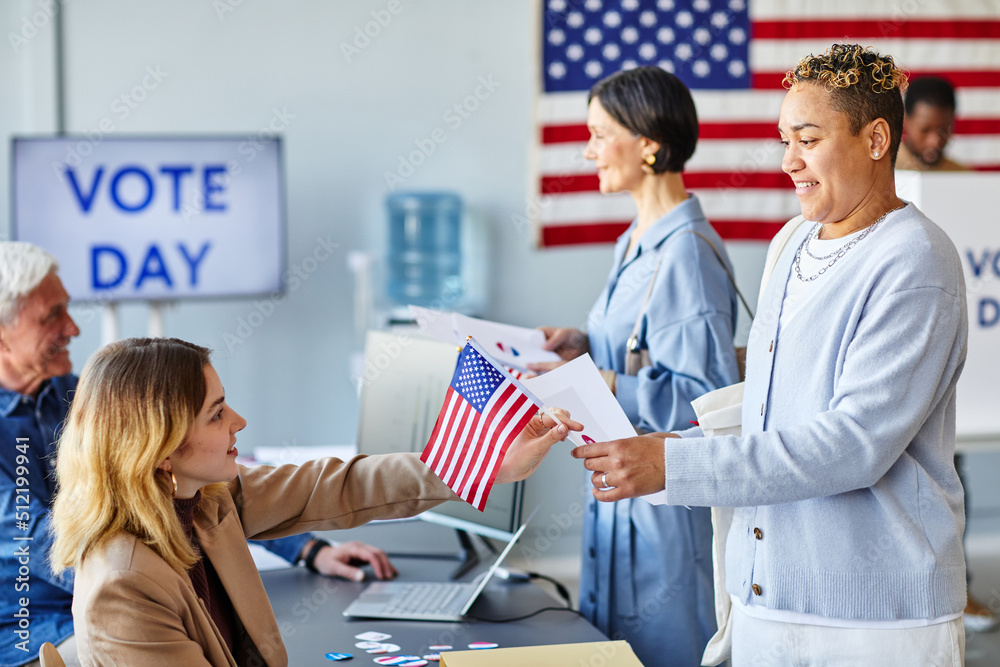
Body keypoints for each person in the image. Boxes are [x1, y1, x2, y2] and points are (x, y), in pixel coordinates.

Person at [572, 44, 968, 664]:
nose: (789, 161)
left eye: (807, 139)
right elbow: (769, 412)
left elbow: (853, 444)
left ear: (875, 139)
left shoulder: (916, 259)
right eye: (784, 140)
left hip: (871, 622)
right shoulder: (791, 242)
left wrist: (677, 469)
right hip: (764, 601)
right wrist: (676, 446)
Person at [48, 336, 576, 666]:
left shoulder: (203, 500)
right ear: (160, 449)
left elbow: (338, 486)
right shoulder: (124, 584)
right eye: (216, 414)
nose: (239, 422)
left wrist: (483, 462)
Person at [0, 242, 393, 667]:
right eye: (52, 315)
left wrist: (308, 548)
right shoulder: (122, 580)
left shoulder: (77, 395)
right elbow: (51, 541)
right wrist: (169, 577)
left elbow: (219, 488)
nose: (73, 328)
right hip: (40, 634)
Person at [530, 66, 740, 666]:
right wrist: (580, 344)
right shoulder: (635, 241)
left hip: (664, 509)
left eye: (600, 134)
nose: (588, 150)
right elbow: (638, 345)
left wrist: (612, 382)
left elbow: (710, 395)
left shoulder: (686, 257)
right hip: (620, 492)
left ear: (648, 142)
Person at [897, 76, 996, 634]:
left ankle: (959, 593)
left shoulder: (966, 184)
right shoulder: (885, 180)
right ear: (905, 124)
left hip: (955, 356)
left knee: (950, 474)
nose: (936, 140)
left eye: (946, 130)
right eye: (926, 129)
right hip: (900, 352)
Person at [896, 76, 965, 171]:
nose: (934, 142)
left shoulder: (963, 175)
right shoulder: (880, 173)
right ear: (905, 121)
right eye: (925, 130)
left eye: (944, 130)